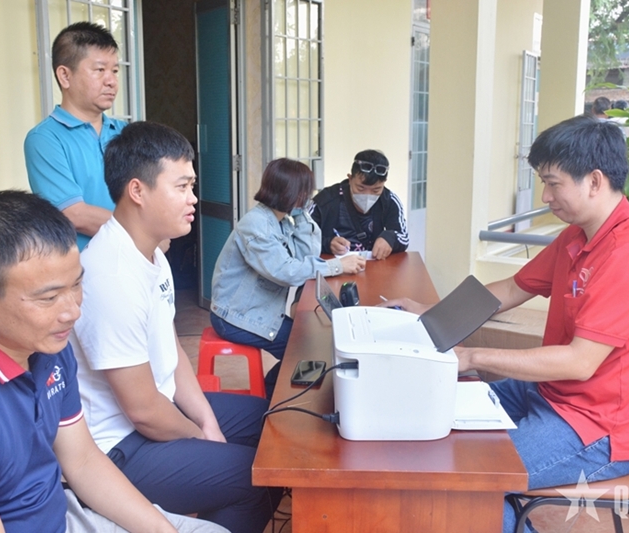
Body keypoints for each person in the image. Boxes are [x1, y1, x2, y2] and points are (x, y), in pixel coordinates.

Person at [382, 115, 629, 532]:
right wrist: (428, 313)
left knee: (464, 480)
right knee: (432, 414)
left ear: (594, 181)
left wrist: (472, 356)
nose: (545, 196)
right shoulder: (578, 235)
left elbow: (580, 362)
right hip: (549, 395)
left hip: (598, 429)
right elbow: (508, 290)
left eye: (554, 184)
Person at [0, 190, 226, 533]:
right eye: (49, 297)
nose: (72, 312)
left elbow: (82, 461)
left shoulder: (47, 344)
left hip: (60, 516)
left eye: (77, 285)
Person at [70, 121, 281, 533]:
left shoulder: (152, 255)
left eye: (192, 186)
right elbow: (143, 411)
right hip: (120, 447)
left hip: (160, 412)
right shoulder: (111, 276)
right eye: (182, 187)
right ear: (137, 191)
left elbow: (172, 353)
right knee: (259, 476)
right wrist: (199, 437)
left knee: (277, 425)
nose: (194, 198)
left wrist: (208, 421)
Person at [210, 158, 366, 398]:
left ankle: (273, 392)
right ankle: (274, 399)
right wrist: (337, 266)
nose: (308, 197)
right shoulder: (257, 225)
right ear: (290, 192)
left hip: (256, 310)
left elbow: (306, 256)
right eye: (304, 192)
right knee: (308, 349)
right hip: (234, 316)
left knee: (311, 344)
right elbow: (286, 272)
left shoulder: (280, 220)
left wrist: (301, 213)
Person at [24, 22, 125, 251]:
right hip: (82, 269)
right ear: (65, 76)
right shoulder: (44, 139)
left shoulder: (126, 133)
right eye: (99, 70)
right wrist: (144, 231)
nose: (111, 81)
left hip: (136, 264)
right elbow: (74, 214)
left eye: (115, 71)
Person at [310, 149, 408, 260]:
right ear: (350, 179)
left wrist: (390, 238)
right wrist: (327, 244)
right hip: (334, 266)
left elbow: (404, 238)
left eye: (376, 190)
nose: (367, 195)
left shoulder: (389, 201)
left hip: (375, 266)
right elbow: (302, 239)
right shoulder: (325, 201)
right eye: (360, 188)